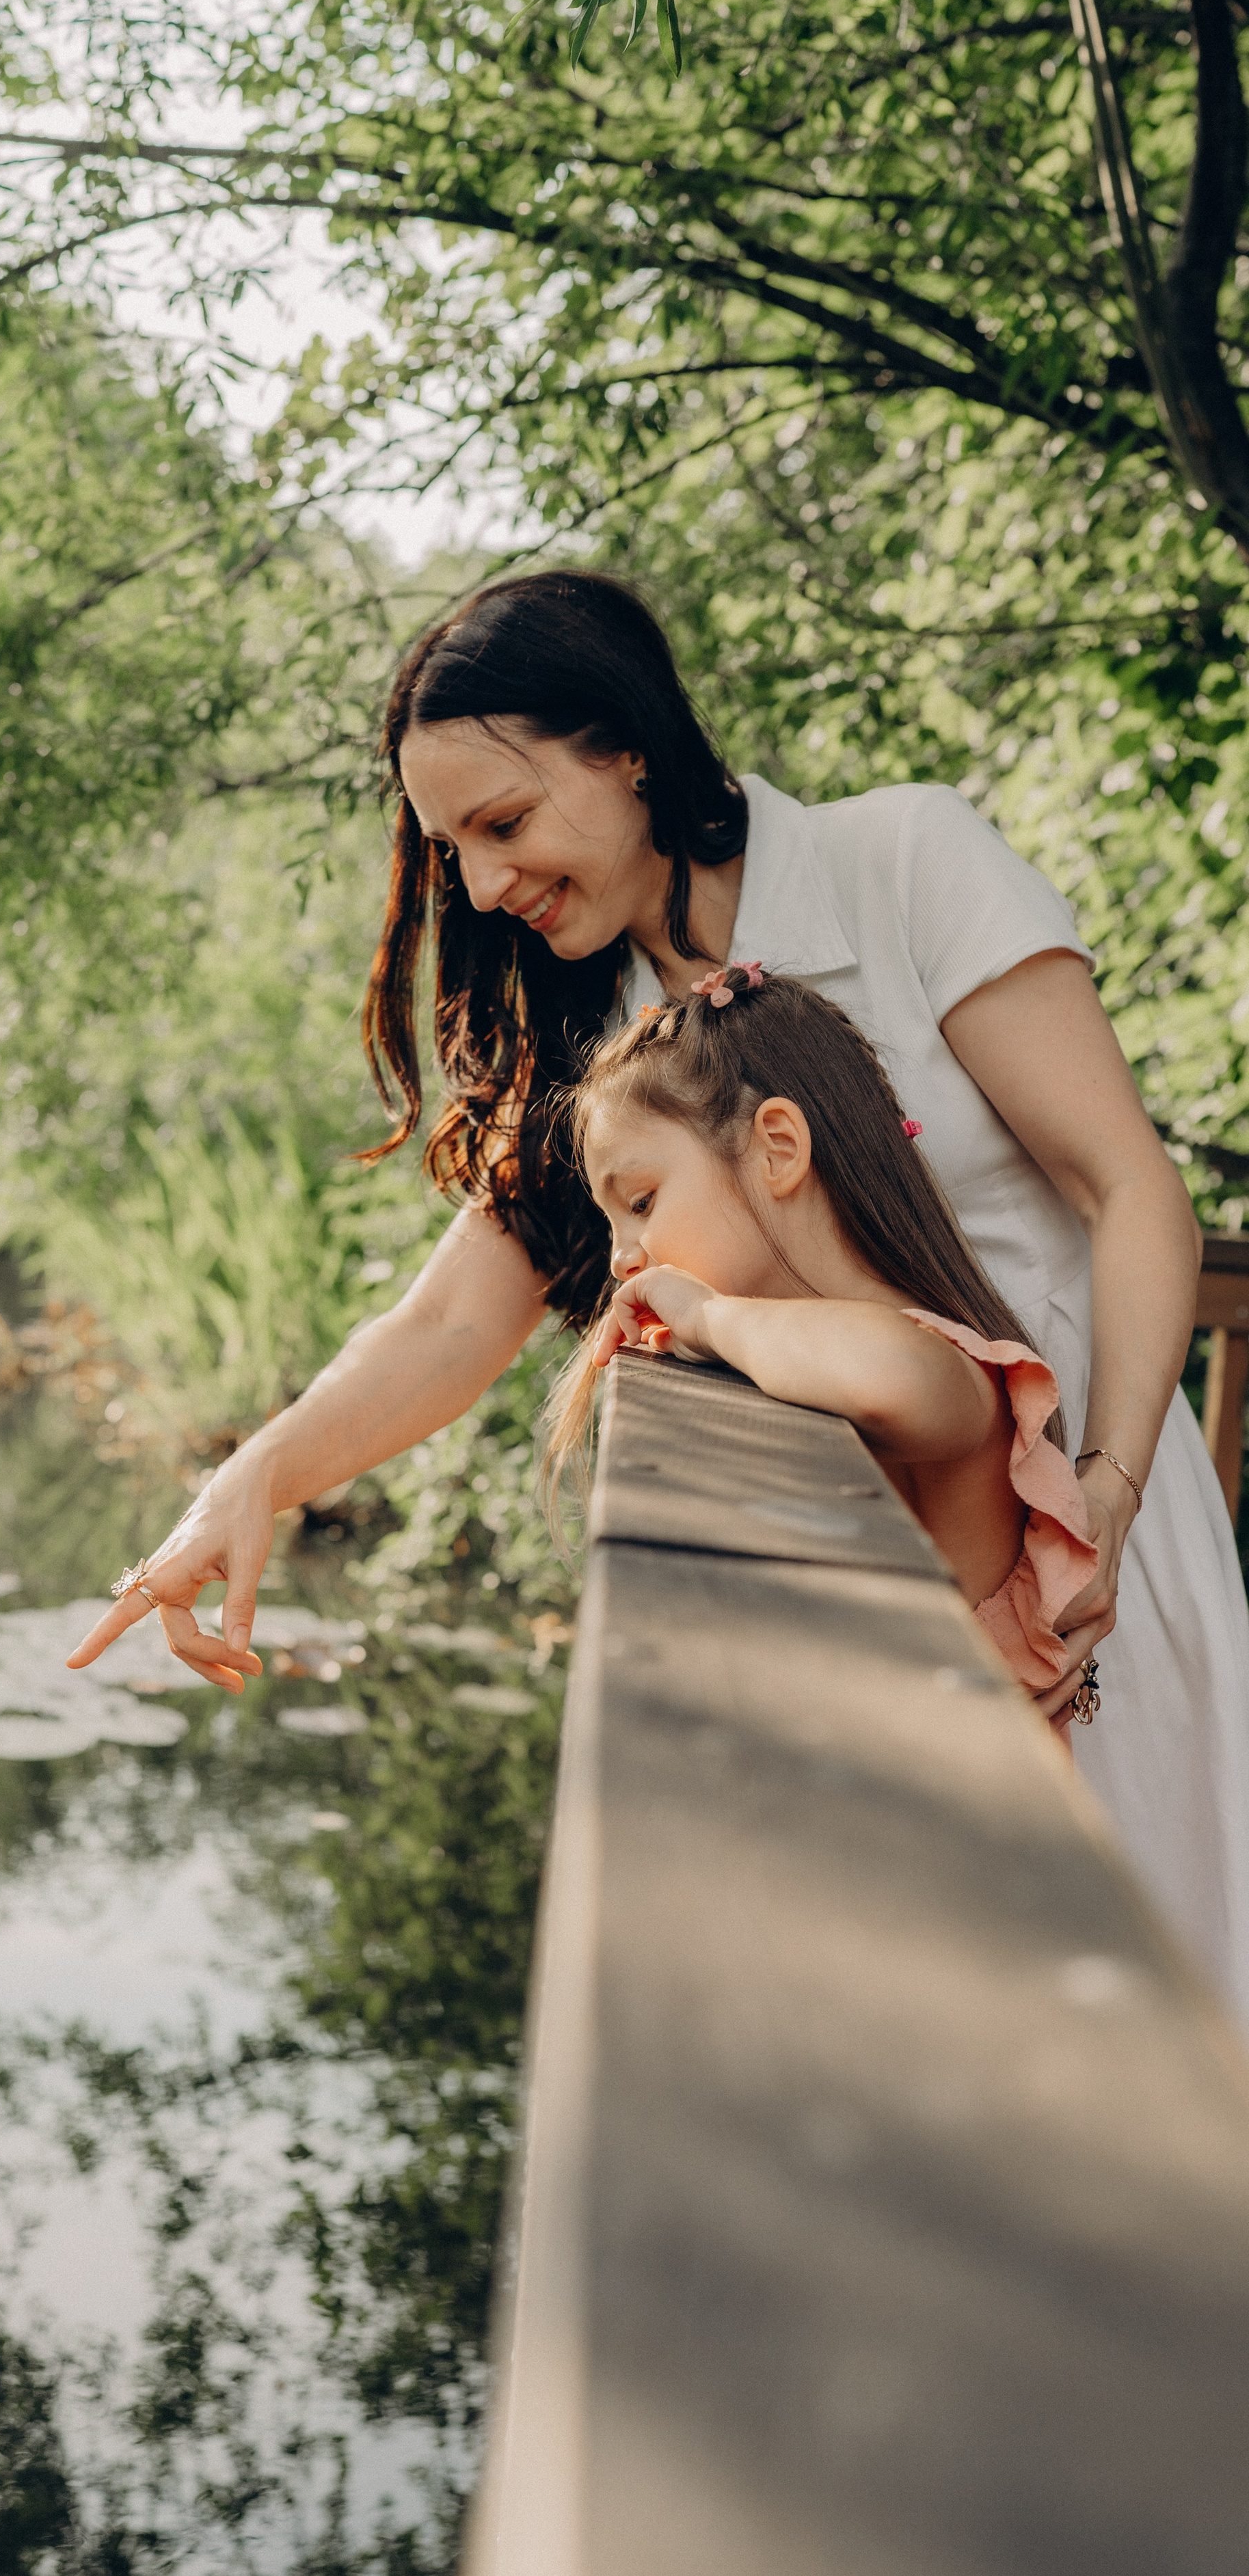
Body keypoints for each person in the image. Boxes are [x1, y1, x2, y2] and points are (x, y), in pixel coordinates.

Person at [68, 567, 1249, 2022]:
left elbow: (1127, 1192)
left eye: (502, 825)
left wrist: (1112, 1484)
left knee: (1159, 2013)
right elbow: (451, 1322)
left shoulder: (901, 864)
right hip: (851, 1576)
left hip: (1085, 1533)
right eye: (455, 853)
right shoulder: (614, 1041)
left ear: (624, 747)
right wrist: (251, 1479)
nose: (485, 885)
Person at [547, 966, 1100, 1734]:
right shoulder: (802, 1353)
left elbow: (889, 1373)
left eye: (639, 1203)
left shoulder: (954, 1367)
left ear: (777, 1148)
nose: (621, 1256)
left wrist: (707, 1318)